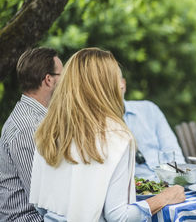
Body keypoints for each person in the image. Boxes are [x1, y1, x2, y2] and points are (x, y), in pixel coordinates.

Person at [29, 48, 185, 221]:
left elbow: (41, 205)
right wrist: (165, 198)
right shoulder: (116, 136)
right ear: (107, 86)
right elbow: (119, 217)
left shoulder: (48, 131)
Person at [0, 47, 63, 222]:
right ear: (49, 80)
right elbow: (44, 200)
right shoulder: (27, 128)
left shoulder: (38, 118)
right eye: (63, 76)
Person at [121, 77, 186, 181]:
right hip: (138, 191)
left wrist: (179, 180)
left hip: (169, 181)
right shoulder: (97, 124)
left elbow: (172, 150)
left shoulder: (149, 109)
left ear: (123, 84)